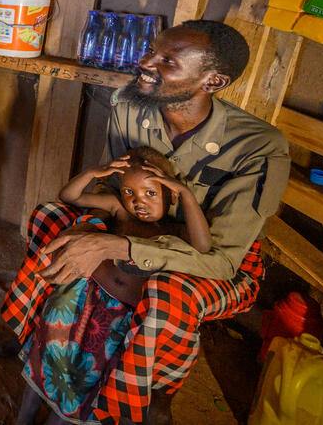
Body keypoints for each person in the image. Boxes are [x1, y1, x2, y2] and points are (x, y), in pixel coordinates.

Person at [0, 20, 290, 424]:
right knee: (54, 221)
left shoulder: (258, 148)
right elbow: (115, 189)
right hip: (135, 226)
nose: (146, 62)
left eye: (167, 61)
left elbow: (221, 260)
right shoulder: (129, 105)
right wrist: (92, 231)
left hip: (211, 257)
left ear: (213, 80)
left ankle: (155, 392)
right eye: (152, 50)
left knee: (168, 295)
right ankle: (34, 334)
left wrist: (114, 246)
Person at [16, 147, 211, 425]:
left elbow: (203, 246)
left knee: (82, 376)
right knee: (49, 352)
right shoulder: (119, 209)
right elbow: (68, 196)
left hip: (118, 318)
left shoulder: (175, 232)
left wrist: (187, 195)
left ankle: (60, 417)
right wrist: (94, 173)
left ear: (171, 193)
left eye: (151, 193)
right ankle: (23, 418)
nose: (138, 201)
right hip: (82, 298)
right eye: (129, 192)